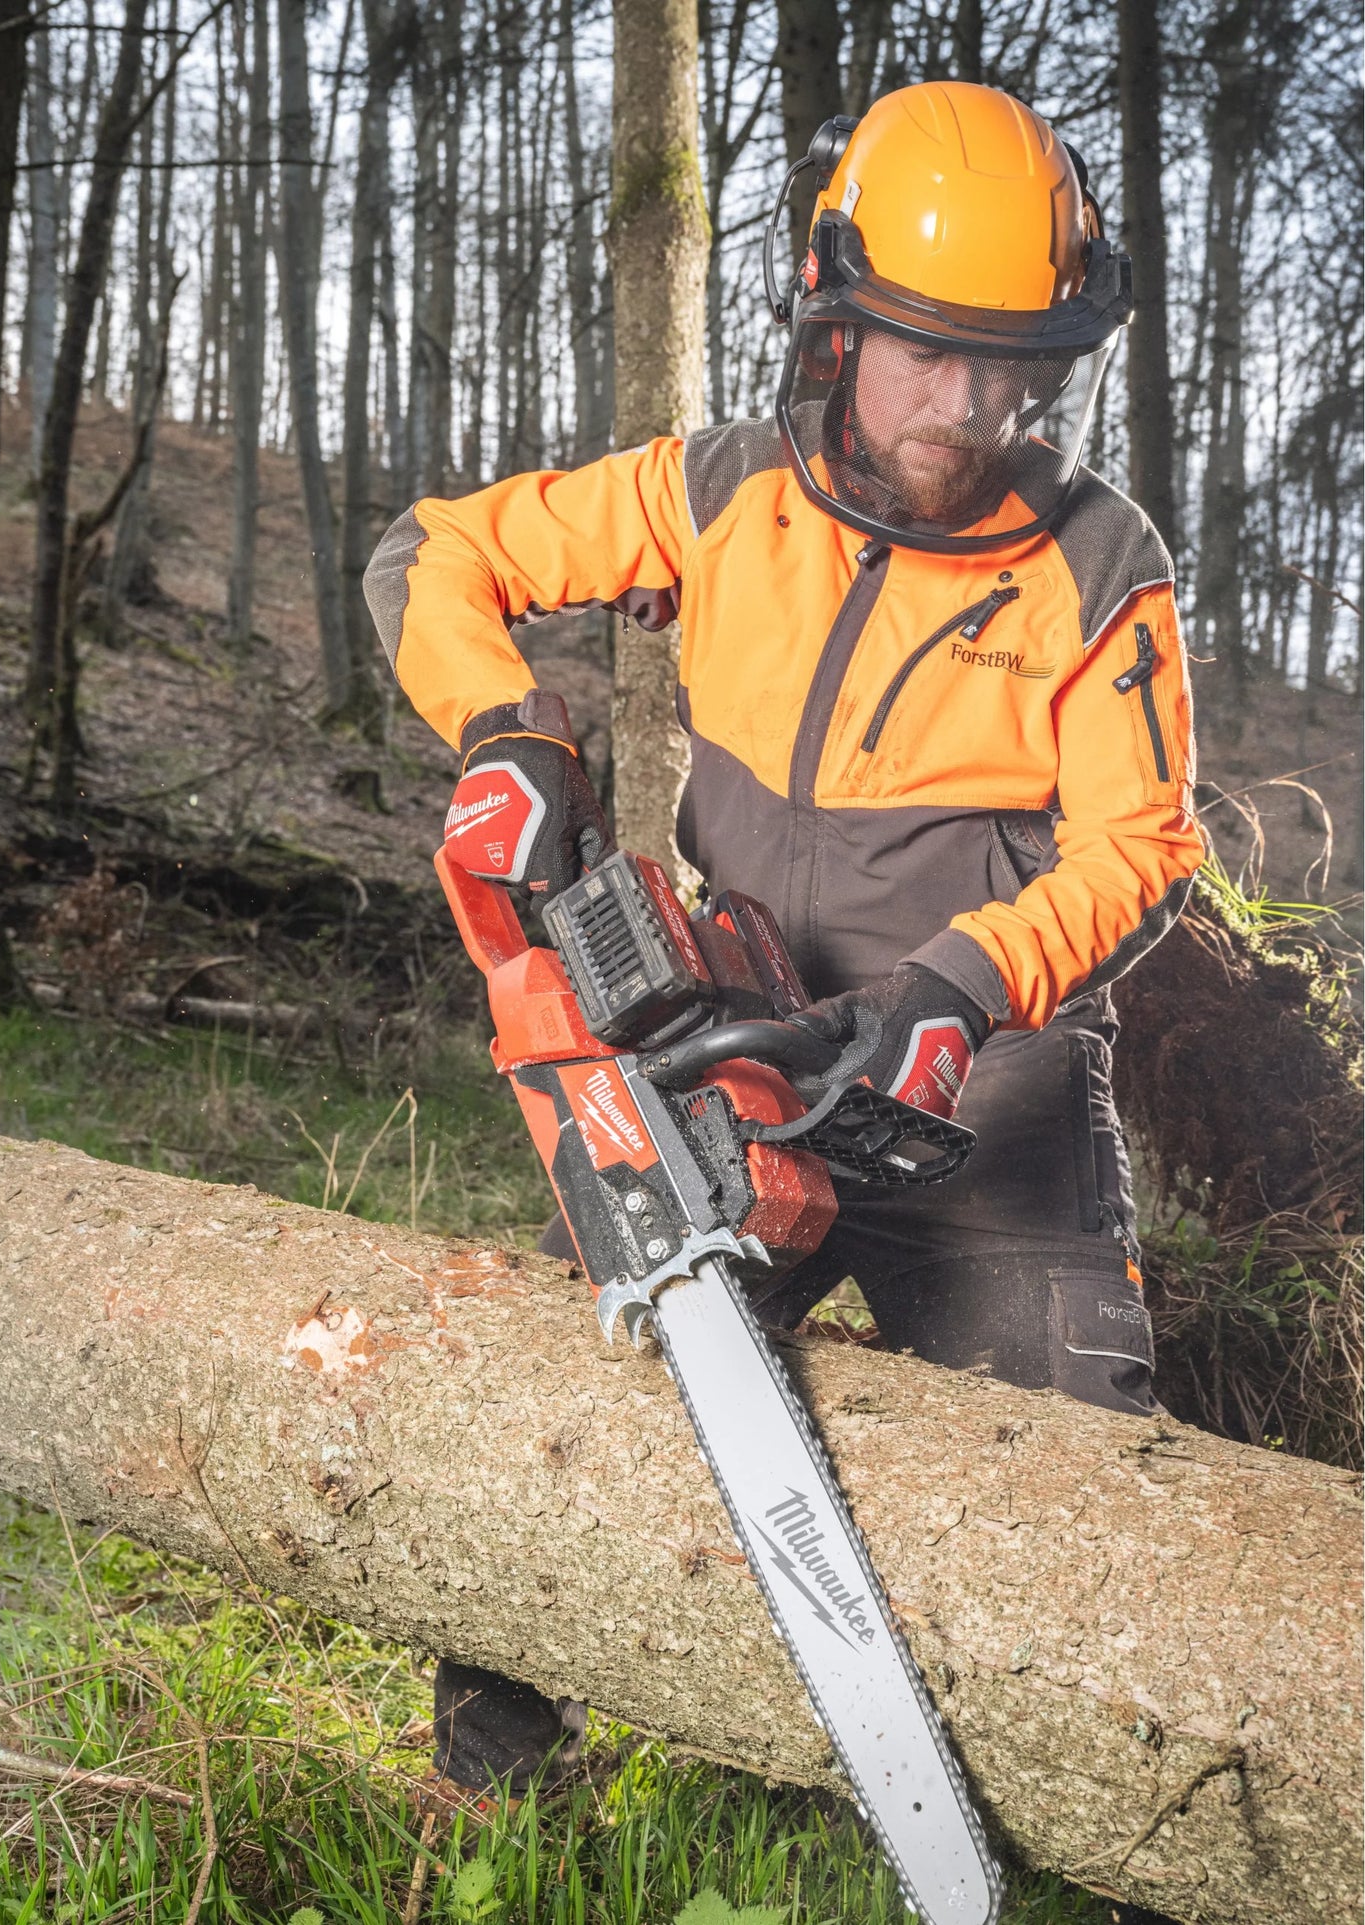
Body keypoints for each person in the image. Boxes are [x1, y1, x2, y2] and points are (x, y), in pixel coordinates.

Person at [364, 80, 1203, 1811]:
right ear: (835, 327)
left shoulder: (1097, 559)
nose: (965, 409)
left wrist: (961, 991)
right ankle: (492, 1796)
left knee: (1079, 1491)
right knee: (565, 1400)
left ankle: (1091, 1837)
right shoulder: (725, 490)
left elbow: (1141, 848)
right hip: (726, 1032)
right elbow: (440, 548)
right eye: (925, 356)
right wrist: (508, 727)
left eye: (1007, 367)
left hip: (982, 1080)